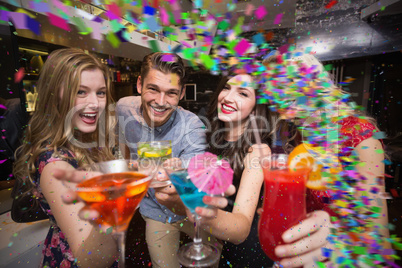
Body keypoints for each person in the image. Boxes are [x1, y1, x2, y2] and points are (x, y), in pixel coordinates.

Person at [262, 51, 391, 265]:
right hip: (293, 251)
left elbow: (379, 244)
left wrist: (338, 240)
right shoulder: (291, 133)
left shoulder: (360, 139)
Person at [11, 48, 119, 268]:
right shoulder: (55, 165)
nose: (95, 103)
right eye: (80, 92)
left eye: (100, 92)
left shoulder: (85, 139)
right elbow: (95, 260)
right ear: (54, 95)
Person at [115, 52, 223, 267]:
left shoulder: (192, 126)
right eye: (153, 89)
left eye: (171, 93)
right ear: (139, 85)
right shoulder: (123, 108)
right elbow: (124, 147)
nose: (161, 102)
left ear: (182, 93)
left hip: (186, 208)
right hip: (155, 211)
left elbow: (193, 177)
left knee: (215, 256)